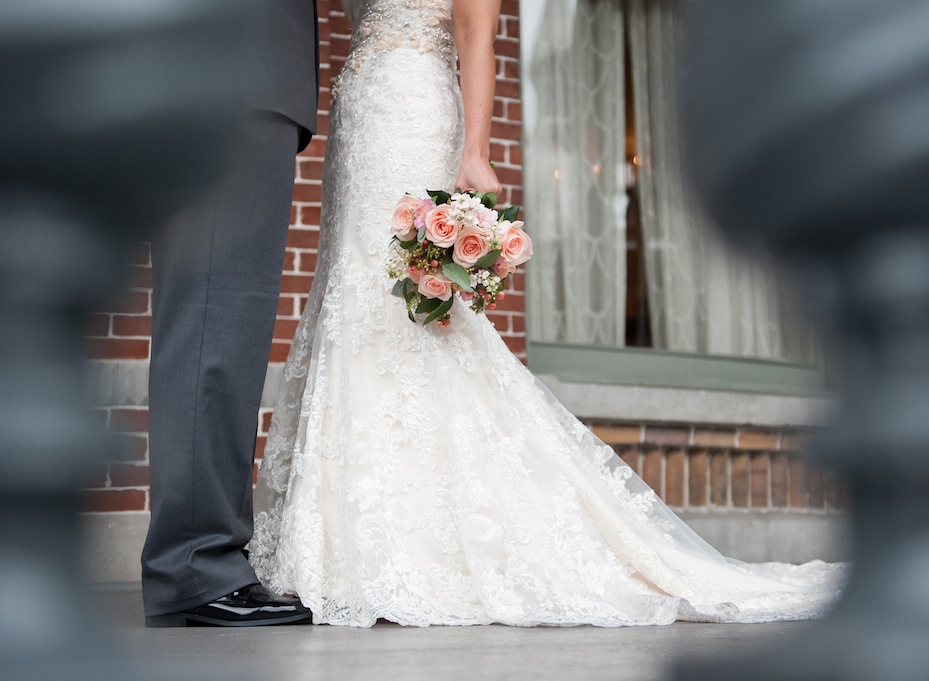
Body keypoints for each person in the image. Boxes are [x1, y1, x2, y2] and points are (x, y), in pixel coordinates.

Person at [250, 0, 844, 627]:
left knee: (411, 307)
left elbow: (480, 32)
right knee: (355, 294)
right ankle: (347, 531)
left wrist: (475, 151)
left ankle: (417, 536)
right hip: (358, 110)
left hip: (416, 110)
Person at [141, 1, 320, 627]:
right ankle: (194, 562)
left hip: (220, 67)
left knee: (209, 320)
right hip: (236, 65)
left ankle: (193, 558)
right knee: (215, 322)